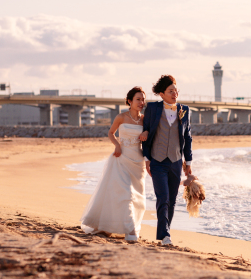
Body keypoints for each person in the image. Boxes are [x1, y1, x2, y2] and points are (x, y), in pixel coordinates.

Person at [80, 87, 147, 241]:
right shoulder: (121, 117)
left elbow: (151, 133)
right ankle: (130, 231)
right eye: (138, 99)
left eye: (143, 99)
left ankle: (132, 225)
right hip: (121, 158)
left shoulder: (145, 119)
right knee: (125, 193)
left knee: (137, 196)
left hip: (138, 161)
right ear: (130, 101)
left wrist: (146, 133)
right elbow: (111, 133)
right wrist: (117, 145)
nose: (141, 102)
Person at [142, 74, 198, 246]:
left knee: (172, 200)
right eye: (171, 91)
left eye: (176, 90)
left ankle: (165, 232)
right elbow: (146, 132)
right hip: (158, 160)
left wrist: (188, 162)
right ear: (162, 94)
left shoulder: (184, 110)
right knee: (163, 197)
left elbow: (187, 137)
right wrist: (146, 157)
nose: (174, 94)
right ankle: (165, 235)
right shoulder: (152, 108)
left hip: (175, 161)